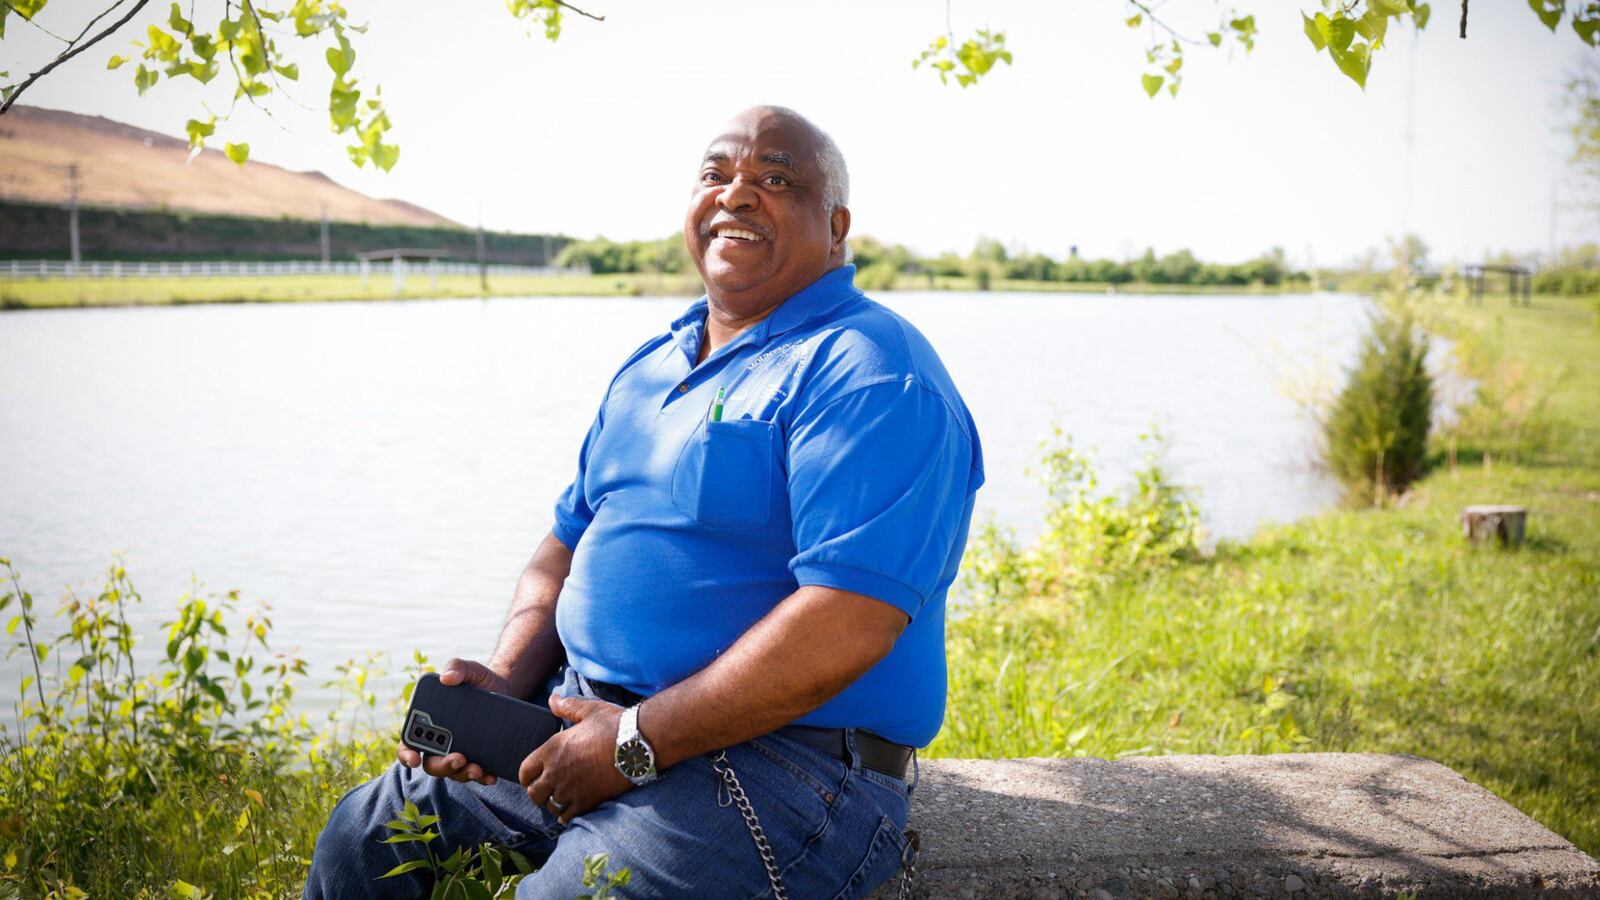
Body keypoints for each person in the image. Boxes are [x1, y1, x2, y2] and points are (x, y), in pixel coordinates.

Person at [304, 105, 984, 900]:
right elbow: (562, 546)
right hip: (580, 723)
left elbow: (848, 619)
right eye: (717, 175)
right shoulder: (651, 366)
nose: (737, 194)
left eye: (774, 179)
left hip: (785, 768)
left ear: (836, 227)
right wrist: (510, 678)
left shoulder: (871, 373)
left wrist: (635, 743)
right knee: (363, 841)